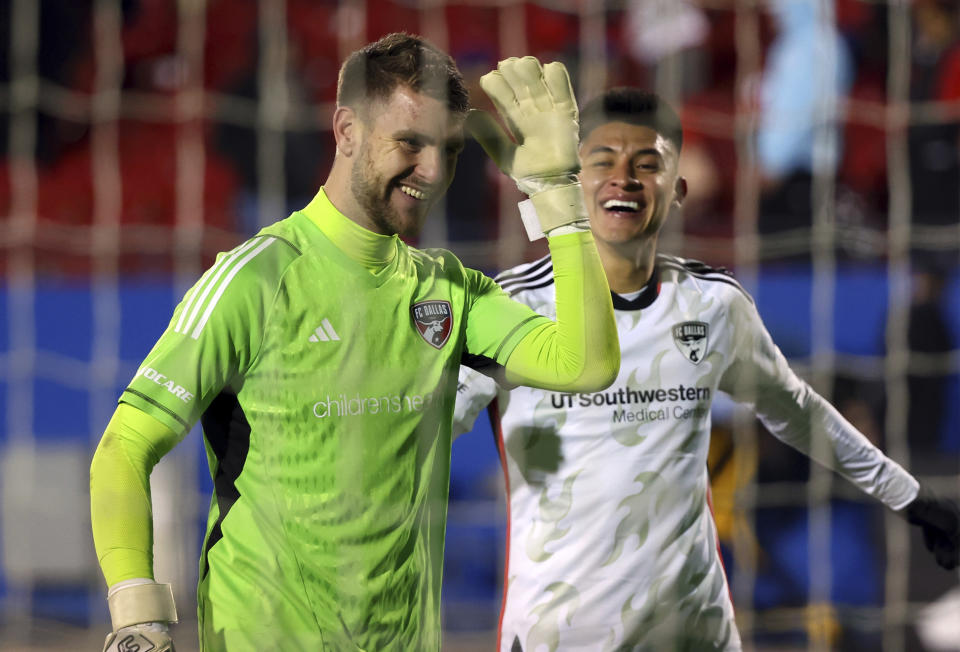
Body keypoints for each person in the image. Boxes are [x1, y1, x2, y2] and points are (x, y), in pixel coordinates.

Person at [90, 34, 621, 651]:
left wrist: (557, 195)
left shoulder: (447, 290)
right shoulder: (254, 279)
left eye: (448, 150)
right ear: (346, 131)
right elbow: (124, 446)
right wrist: (137, 614)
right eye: (409, 143)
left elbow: (587, 364)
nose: (430, 170)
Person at [453, 87, 960, 651]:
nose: (625, 177)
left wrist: (911, 498)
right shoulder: (509, 308)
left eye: (647, 165)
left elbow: (797, 412)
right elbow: (419, 425)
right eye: (602, 161)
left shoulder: (713, 304)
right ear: (574, 185)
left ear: (678, 193)